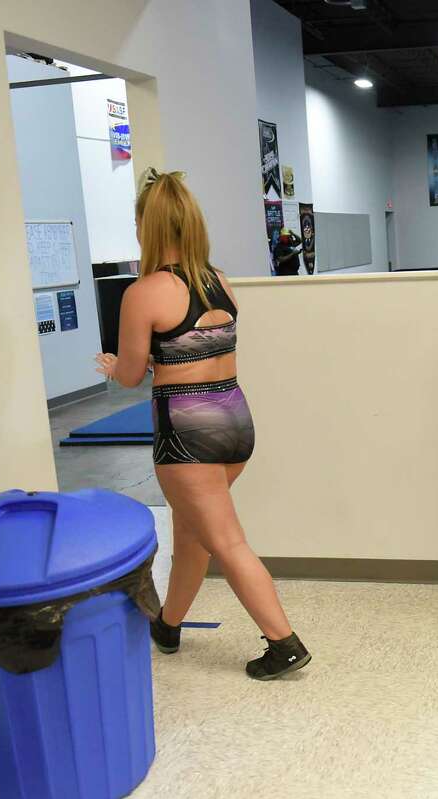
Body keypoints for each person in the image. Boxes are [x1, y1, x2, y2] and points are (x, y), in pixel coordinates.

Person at [95, 168, 310, 680]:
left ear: (146, 227)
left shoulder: (144, 291)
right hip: (234, 419)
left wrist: (114, 366)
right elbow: (199, 351)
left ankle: (285, 644)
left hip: (186, 429)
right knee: (191, 532)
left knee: (226, 540)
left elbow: (129, 375)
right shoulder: (218, 281)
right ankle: (169, 625)